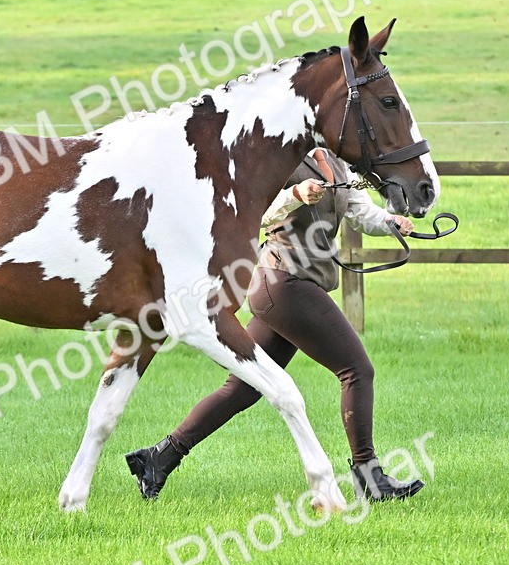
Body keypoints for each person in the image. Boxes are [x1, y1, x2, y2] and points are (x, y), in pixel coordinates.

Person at [125, 147, 425, 502]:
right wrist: (295, 195)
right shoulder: (280, 160)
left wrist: (392, 223)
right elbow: (256, 216)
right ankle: (369, 478)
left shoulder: (336, 161)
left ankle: (158, 458)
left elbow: (359, 210)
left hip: (296, 285)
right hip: (284, 283)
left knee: (243, 388)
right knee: (357, 370)